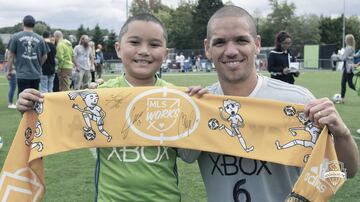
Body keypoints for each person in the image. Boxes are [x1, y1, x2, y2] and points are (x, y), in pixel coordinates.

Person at [179, 5, 359, 202]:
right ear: (207, 48)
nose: (231, 51)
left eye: (241, 40)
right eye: (220, 42)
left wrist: (342, 134)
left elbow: (346, 171)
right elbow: (184, 157)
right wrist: (187, 111)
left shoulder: (298, 101)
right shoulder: (199, 107)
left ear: (256, 44)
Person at [16, 13, 203, 202]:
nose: (144, 51)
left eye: (154, 44)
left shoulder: (176, 98)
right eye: (135, 42)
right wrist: (32, 108)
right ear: (119, 48)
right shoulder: (100, 95)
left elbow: (189, 156)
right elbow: (58, 124)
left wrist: (197, 113)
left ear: (165, 53)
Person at [7, 15, 49, 94]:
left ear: (23, 24)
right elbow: (45, 56)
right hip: (36, 74)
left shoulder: (15, 37)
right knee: (34, 99)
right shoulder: (40, 39)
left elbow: (10, 55)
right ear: (34, 24)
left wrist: (9, 71)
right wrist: (38, 64)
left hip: (22, 74)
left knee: (23, 100)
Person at [334, 34, 356, 103]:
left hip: (349, 69)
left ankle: (342, 98)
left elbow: (343, 58)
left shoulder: (348, 48)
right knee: (343, 83)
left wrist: (337, 55)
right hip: (347, 68)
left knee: (350, 85)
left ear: (348, 40)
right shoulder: (351, 48)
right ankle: (342, 99)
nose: (344, 40)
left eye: (345, 39)